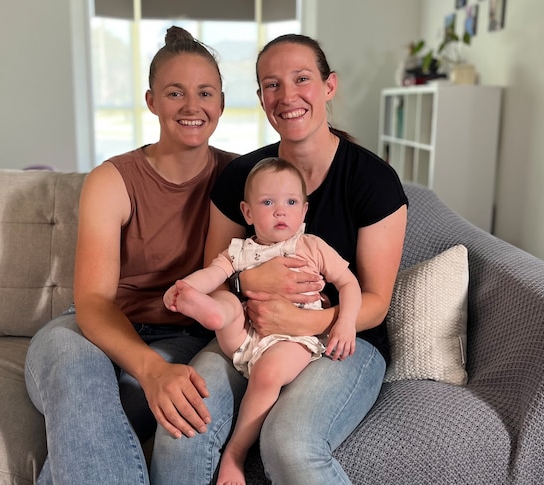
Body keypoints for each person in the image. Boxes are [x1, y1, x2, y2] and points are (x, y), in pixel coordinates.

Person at [151, 33, 409, 484]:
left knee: (288, 441)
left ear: (329, 86)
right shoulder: (241, 179)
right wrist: (251, 285)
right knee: (183, 426)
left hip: (342, 342)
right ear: (260, 98)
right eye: (272, 85)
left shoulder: (373, 181)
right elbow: (220, 273)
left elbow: (375, 301)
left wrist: (305, 322)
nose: (288, 96)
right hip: (251, 330)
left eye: (302, 79)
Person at [23, 26, 238, 485]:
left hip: (183, 337)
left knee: (92, 422)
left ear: (221, 102)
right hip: (92, 332)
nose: (192, 106)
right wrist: (152, 369)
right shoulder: (112, 180)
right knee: (72, 364)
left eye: (205, 93)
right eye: (175, 93)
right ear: (151, 101)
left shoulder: (240, 177)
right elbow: (94, 302)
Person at [163, 156, 361, 484]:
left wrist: (344, 321)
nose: (280, 210)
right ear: (248, 212)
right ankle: (212, 313)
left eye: (291, 202)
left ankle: (235, 453)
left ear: (304, 211)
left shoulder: (310, 246)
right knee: (224, 297)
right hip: (246, 336)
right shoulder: (239, 251)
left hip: (295, 339)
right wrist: (184, 289)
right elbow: (212, 274)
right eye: (268, 202)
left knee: (268, 373)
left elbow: (349, 284)